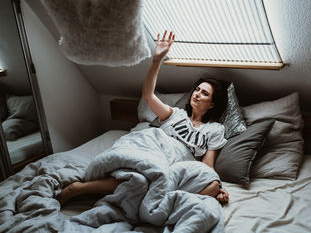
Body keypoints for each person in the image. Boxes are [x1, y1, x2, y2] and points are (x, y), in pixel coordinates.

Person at [57, 30, 229, 205]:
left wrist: (216, 186)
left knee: (210, 185)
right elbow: (148, 95)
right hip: (152, 149)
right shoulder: (175, 114)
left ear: (212, 104)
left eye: (204, 93)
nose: (197, 94)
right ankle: (78, 188)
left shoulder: (214, 129)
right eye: (197, 89)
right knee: (140, 176)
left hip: (176, 165)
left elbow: (207, 167)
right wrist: (156, 60)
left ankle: (85, 189)